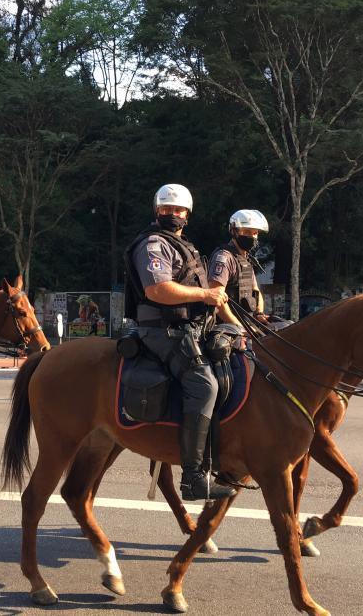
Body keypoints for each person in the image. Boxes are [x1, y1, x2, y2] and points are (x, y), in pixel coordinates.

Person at [124, 183, 235, 501]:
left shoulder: (184, 245)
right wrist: (205, 294)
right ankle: (193, 478)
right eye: (167, 209)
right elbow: (158, 291)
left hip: (189, 328)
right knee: (204, 386)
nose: (174, 214)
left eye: (179, 210)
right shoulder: (154, 243)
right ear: (157, 211)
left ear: (187, 213)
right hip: (162, 331)